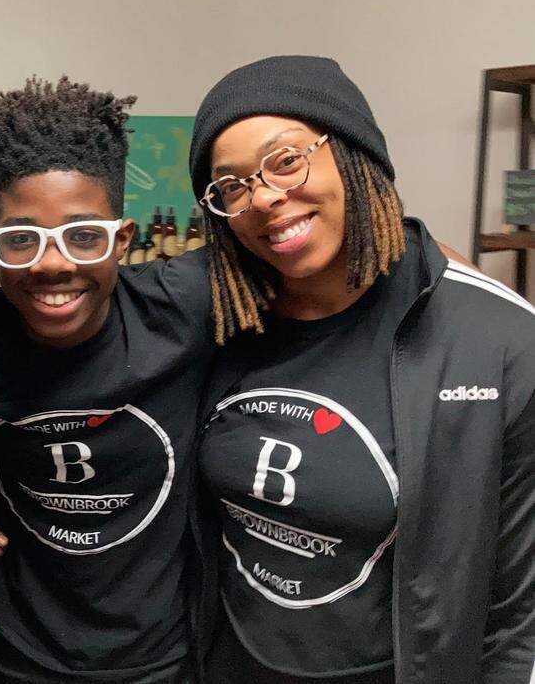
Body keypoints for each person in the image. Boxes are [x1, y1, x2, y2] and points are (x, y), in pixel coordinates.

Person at [188, 55, 535, 684]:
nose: (263, 196)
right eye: (231, 186)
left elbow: (520, 616)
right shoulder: (220, 322)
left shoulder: (499, 341)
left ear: (354, 154)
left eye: (287, 160)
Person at [0, 76, 212, 682]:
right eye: (21, 239)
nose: (53, 264)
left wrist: (437, 263)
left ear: (122, 239)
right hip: (20, 661)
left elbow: (336, 261)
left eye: (84, 235)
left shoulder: (186, 308)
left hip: (168, 662)